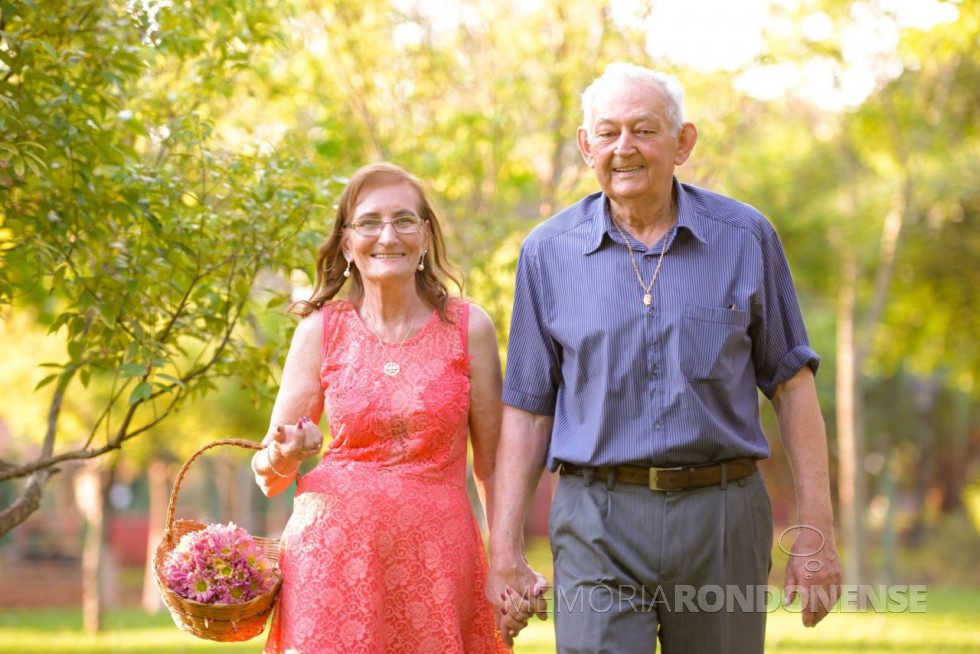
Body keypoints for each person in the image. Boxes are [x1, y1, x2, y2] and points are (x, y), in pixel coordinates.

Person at [486, 62, 842, 653]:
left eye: (644, 130)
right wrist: (503, 551)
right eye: (607, 132)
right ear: (585, 146)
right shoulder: (546, 253)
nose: (624, 147)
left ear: (683, 143)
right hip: (595, 520)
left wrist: (818, 531)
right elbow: (526, 411)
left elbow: (793, 387)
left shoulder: (745, 236)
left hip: (722, 517)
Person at [252, 162, 510, 653]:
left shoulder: (468, 327)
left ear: (426, 235)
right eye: (369, 222)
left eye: (404, 220)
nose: (387, 235)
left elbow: (493, 468)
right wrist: (288, 452)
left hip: (437, 562)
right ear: (347, 244)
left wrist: (505, 559)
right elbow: (269, 475)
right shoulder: (320, 330)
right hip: (331, 567)